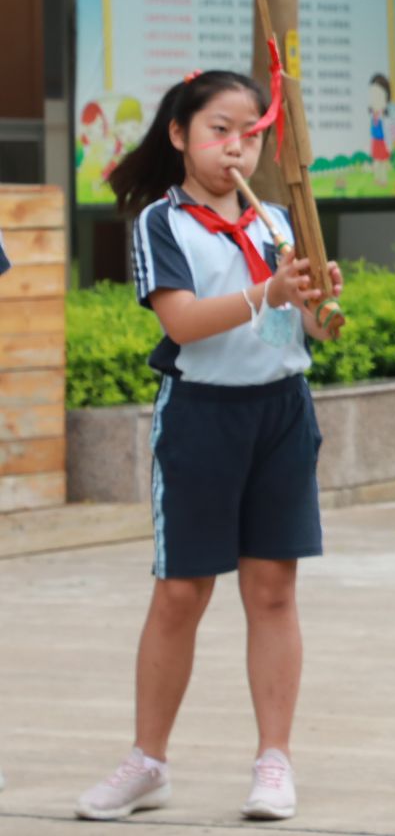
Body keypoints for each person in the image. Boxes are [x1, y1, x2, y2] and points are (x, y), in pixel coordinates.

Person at [79, 70, 344, 822]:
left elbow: (307, 330)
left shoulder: (280, 221)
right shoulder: (163, 223)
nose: (236, 147)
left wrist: (321, 308)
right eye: (218, 130)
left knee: (273, 590)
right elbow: (182, 323)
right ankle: (148, 761)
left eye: (249, 132)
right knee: (181, 592)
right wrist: (270, 293)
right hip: (201, 416)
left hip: (282, 413)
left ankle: (274, 760)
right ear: (179, 136)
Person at [367, 74, 392, 187]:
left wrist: (389, 147)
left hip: (382, 143)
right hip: (375, 142)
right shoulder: (373, 117)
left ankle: (384, 179)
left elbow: (389, 134)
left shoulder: (385, 119)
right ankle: (378, 179)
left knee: (382, 164)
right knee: (376, 162)